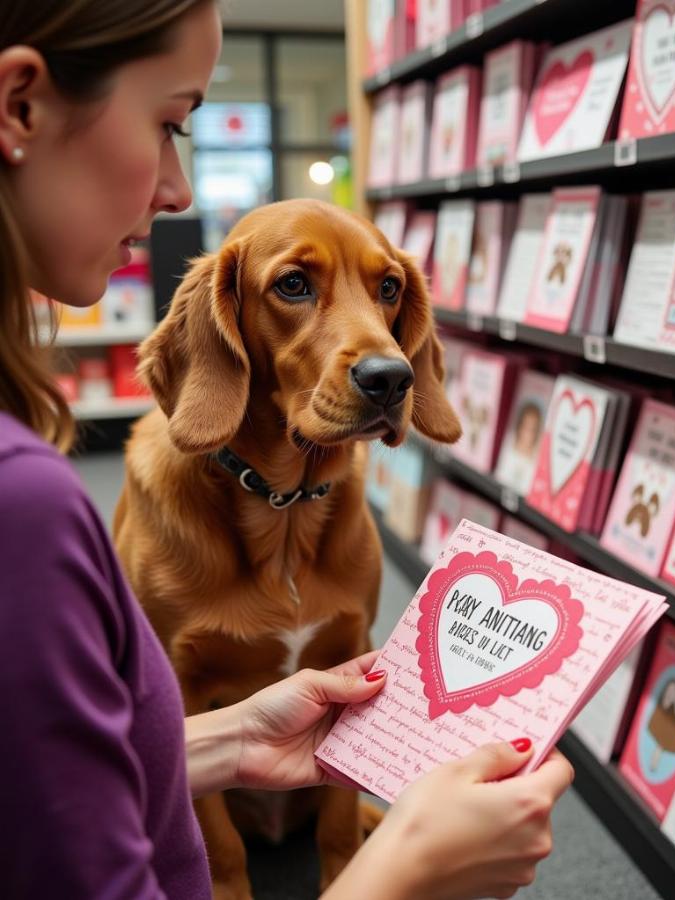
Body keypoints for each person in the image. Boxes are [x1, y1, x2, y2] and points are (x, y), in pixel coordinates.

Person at [0, 2, 574, 898]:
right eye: (297, 287)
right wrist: (402, 876)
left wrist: (293, 803)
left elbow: (120, 742)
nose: (377, 352)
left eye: (385, 293)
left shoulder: (349, 514)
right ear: (19, 107)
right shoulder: (28, 505)